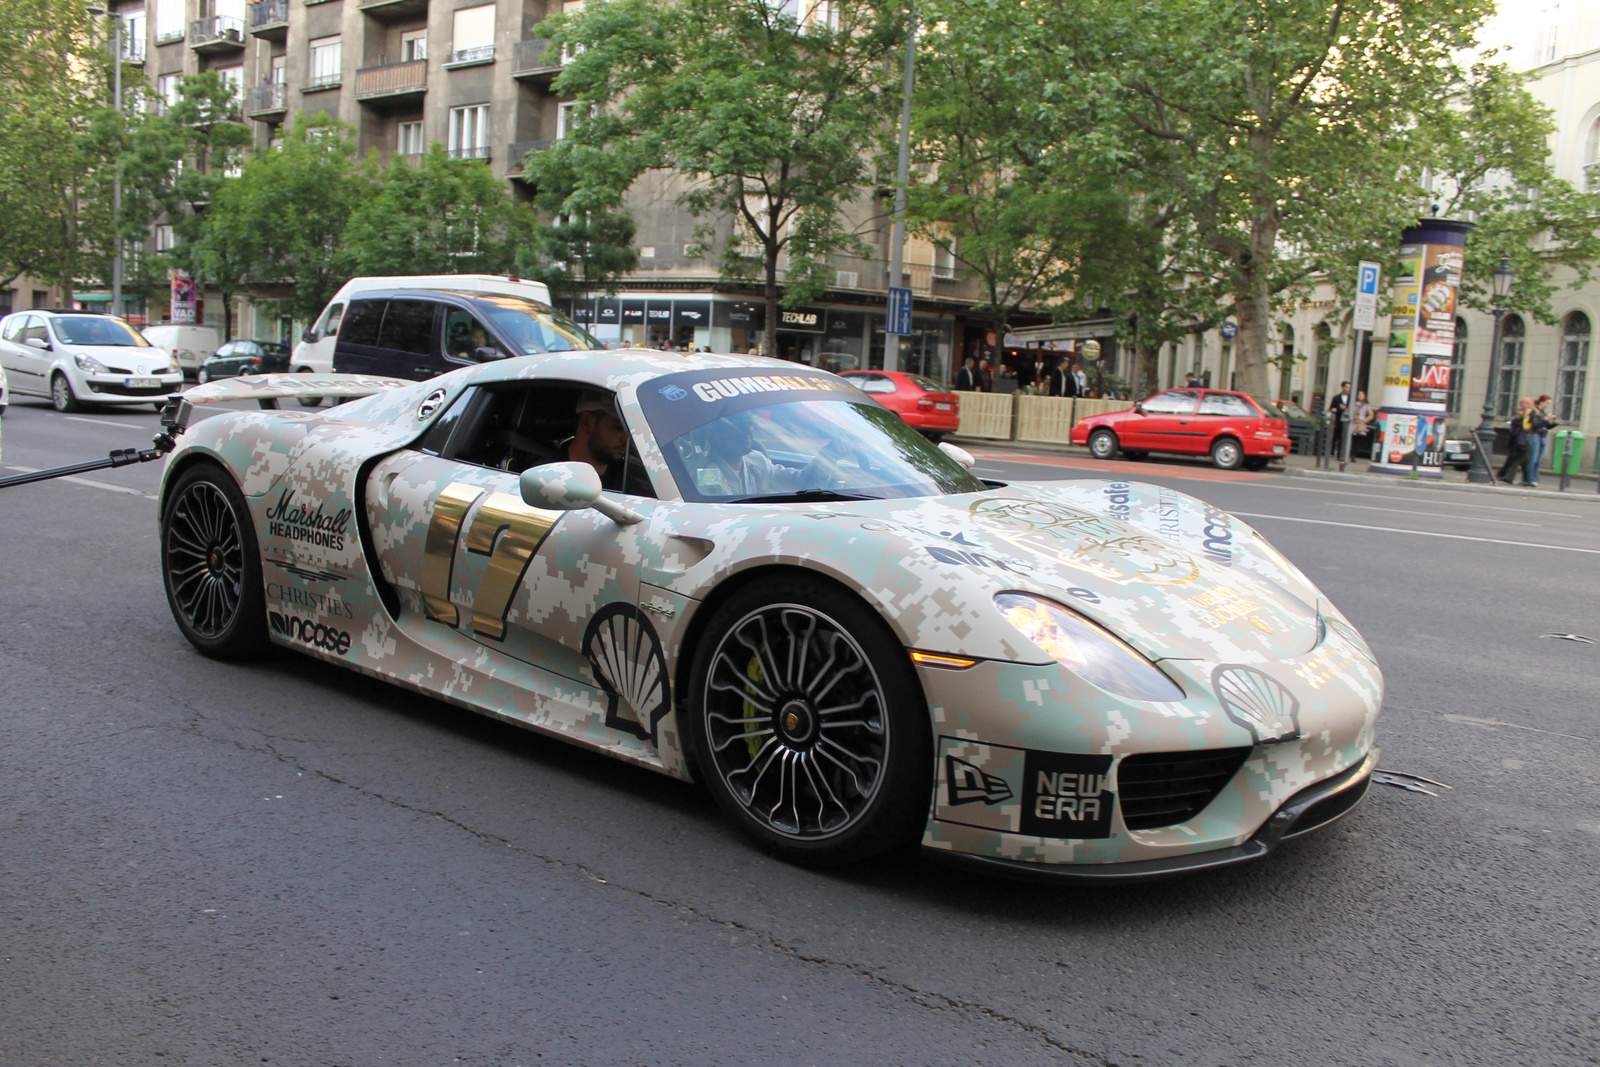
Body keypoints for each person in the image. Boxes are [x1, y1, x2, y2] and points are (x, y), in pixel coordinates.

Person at [566, 392, 636, 493]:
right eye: (618, 427)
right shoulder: (549, 478)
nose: (626, 439)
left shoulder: (631, 477)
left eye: (628, 430)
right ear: (586, 422)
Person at [1525, 394, 1559, 486]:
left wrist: (1554, 423)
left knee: (1539, 459)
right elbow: (1535, 424)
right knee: (1533, 458)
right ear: (1542, 402)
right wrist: (1546, 418)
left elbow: (1546, 426)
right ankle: (1530, 479)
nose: (1548, 405)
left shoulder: (1543, 412)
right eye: (1547, 403)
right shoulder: (1534, 411)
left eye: (1549, 404)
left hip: (1543, 436)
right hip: (1535, 435)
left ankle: (1534, 479)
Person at [1498, 397, 1534, 482]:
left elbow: (1527, 424)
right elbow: (1515, 423)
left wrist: (1524, 417)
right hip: (1518, 441)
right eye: (1522, 403)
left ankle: (1506, 476)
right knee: (1519, 461)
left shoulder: (1531, 415)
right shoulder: (1521, 415)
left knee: (1519, 460)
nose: (1522, 405)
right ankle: (1524, 479)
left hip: (1524, 441)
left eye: (1524, 403)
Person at [1349, 390, 1375, 459]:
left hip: (1361, 423)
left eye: (1362, 394)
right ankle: (1349, 453)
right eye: (1359, 394)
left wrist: (1364, 420)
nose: (1360, 396)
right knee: (1352, 439)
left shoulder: (1366, 405)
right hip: (1354, 422)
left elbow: (1371, 415)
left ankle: (1354, 455)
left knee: (1359, 440)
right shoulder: (1354, 404)